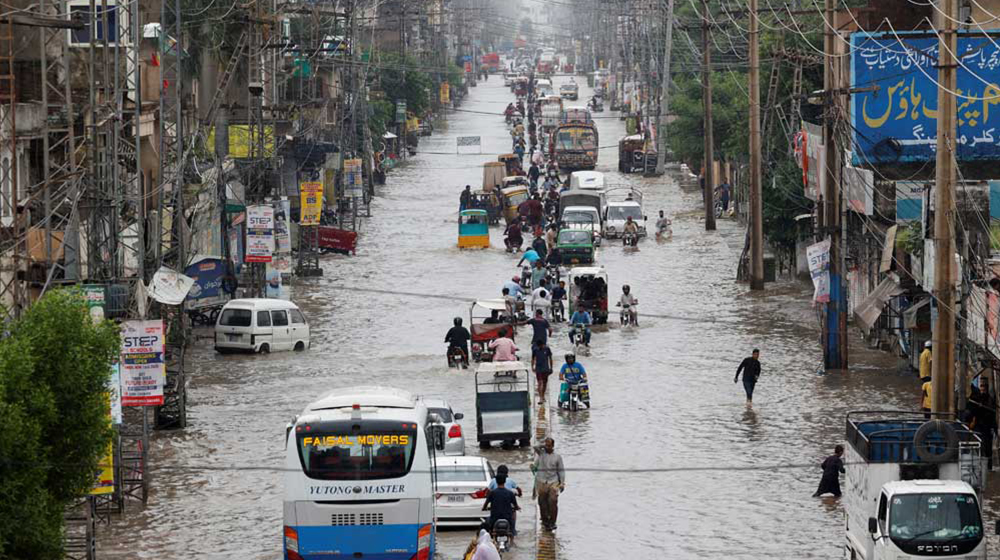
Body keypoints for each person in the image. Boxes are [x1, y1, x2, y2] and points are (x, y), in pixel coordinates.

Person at [532, 437, 565, 531]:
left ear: (553, 446)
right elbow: (534, 446)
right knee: (542, 502)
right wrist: (543, 445)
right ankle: (545, 521)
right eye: (546, 445)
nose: (547, 447)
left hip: (553, 482)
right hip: (541, 481)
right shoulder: (541, 453)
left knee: (553, 501)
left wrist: (562, 483)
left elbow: (561, 471)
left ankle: (553, 522)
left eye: (549, 445)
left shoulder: (557, 457)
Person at [969, 375, 997, 469]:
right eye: (981, 386)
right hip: (978, 426)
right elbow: (972, 411)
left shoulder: (990, 399)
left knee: (987, 447)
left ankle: (988, 466)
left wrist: (995, 428)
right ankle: (980, 465)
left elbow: (992, 415)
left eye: (984, 386)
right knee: (980, 445)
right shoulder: (976, 398)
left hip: (987, 427)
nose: (983, 388)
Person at [482, 473, 519, 538]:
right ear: (505, 481)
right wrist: (517, 508)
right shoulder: (510, 493)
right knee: (512, 528)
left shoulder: (492, 493)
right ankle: (512, 539)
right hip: (507, 518)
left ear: (496, 481)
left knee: (487, 523)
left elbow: (485, 505)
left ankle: (490, 538)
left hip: (494, 518)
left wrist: (484, 508)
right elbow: (516, 505)